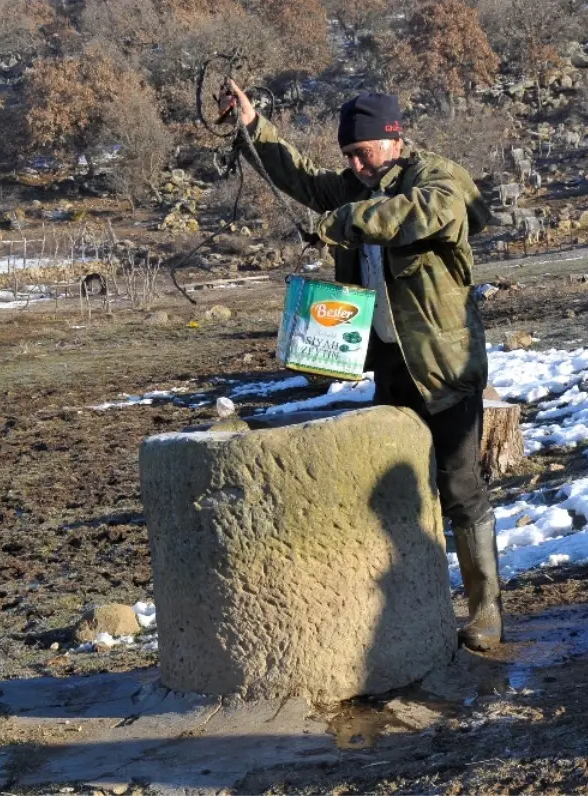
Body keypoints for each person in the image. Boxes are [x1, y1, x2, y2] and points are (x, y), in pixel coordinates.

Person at [220, 82, 502, 650]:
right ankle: (416, 609)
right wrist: (255, 127)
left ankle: (486, 611)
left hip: (443, 364)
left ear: (393, 140)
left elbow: (421, 215)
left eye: (362, 152)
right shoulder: (354, 186)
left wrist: (342, 221)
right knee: (396, 491)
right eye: (348, 154)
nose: (353, 163)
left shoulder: (438, 179)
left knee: (460, 486)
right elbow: (299, 178)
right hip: (391, 364)